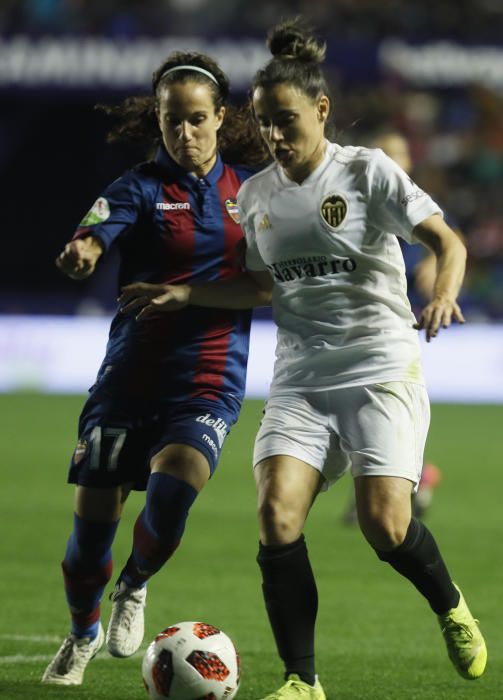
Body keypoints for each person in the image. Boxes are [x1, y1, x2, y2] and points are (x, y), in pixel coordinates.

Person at [124, 18, 487, 699]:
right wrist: (186, 292)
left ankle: (451, 608)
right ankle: (302, 681)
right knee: (276, 516)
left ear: (320, 111)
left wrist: (441, 295)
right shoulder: (255, 195)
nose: (274, 136)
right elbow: (263, 284)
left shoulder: (366, 172)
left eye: (285, 121)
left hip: (379, 367)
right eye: (263, 124)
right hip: (299, 378)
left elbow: (447, 240)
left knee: (386, 527)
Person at [41, 51, 269, 686]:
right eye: (173, 121)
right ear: (159, 122)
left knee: (173, 494)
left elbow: (267, 288)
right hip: (129, 377)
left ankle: (134, 583)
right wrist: (82, 252)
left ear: (221, 117)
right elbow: (94, 233)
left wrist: (189, 296)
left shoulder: (251, 194)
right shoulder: (137, 187)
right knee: (90, 536)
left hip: (209, 377)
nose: (186, 133)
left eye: (198, 119)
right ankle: (82, 632)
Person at [342, 129, 442, 524]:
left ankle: (405, 484)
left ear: (409, 161)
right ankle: (411, 481)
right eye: (384, 153)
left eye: (398, 153)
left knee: (382, 414)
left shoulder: (415, 205)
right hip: (360, 330)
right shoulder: (358, 203)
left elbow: (445, 244)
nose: (392, 160)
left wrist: (437, 283)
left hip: (404, 331)